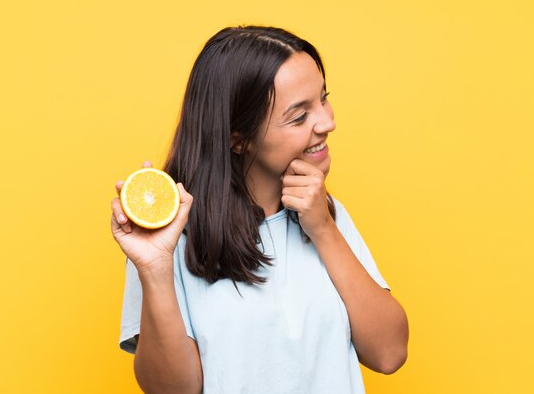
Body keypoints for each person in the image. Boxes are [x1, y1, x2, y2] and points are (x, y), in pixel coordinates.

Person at [111, 25, 409, 394]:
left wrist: (323, 228)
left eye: (323, 99)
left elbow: (389, 353)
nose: (327, 122)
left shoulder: (326, 214)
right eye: (299, 116)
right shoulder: (168, 235)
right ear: (238, 139)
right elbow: (173, 390)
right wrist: (155, 272)